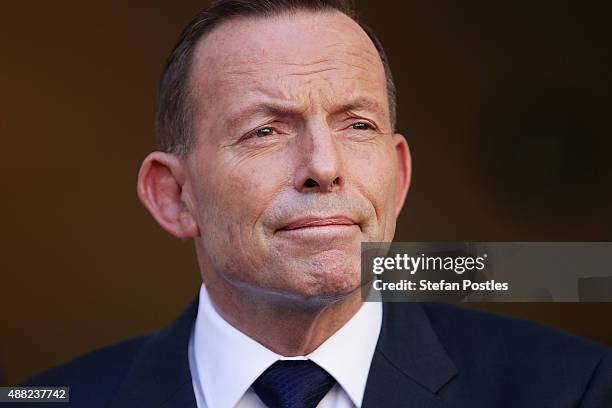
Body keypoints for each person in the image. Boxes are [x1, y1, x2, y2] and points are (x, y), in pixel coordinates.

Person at [20, 0, 612, 407]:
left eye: (357, 125)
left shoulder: (575, 388)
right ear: (174, 196)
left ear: (399, 177)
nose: (324, 167)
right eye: (265, 131)